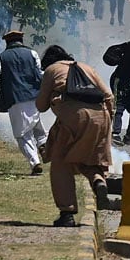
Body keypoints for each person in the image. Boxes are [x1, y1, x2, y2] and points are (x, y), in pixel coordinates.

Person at [35, 45, 114, 227]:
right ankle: (98, 181)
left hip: (75, 118)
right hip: (101, 117)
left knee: (61, 162)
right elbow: (108, 96)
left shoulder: (51, 70)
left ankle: (67, 213)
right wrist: (106, 123)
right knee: (89, 158)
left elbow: (41, 106)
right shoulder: (87, 68)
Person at [0, 30, 47, 175]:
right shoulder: (33, 53)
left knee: (22, 134)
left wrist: (2, 93)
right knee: (37, 126)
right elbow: (39, 74)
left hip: (15, 99)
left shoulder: (1, 58)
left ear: (7, 42)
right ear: (21, 40)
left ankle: (35, 162)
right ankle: (43, 145)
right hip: (35, 97)